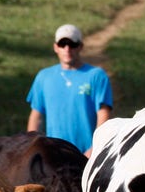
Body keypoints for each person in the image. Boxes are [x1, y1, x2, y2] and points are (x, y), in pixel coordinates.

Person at [26, 24, 113, 157]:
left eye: (72, 44)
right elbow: (36, 117)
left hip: (86, 155)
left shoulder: (96, 76)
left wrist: (95, 149)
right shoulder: (44, 77)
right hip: (53, 155)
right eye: (62, 44)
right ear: (56, 47)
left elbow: (103, 115)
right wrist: (32, 149)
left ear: (80, 47)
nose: (67, 49)